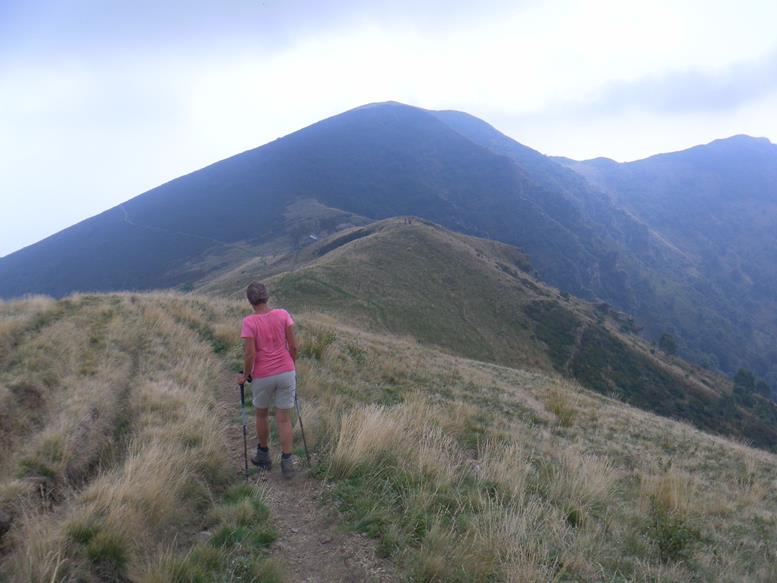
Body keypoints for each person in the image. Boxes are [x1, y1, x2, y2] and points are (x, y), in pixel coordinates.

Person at [235, 282, 298, 478]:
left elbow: (249, 354)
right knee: (284, 419)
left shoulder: (249, 322)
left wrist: (245, 376)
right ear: (267, 297)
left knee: (261, 415)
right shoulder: (283, 314)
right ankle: (287, 462)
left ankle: (264, 455)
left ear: (250, 301)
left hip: (262, 375)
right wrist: (290, 364)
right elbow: (294, 346)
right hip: (286, 371)